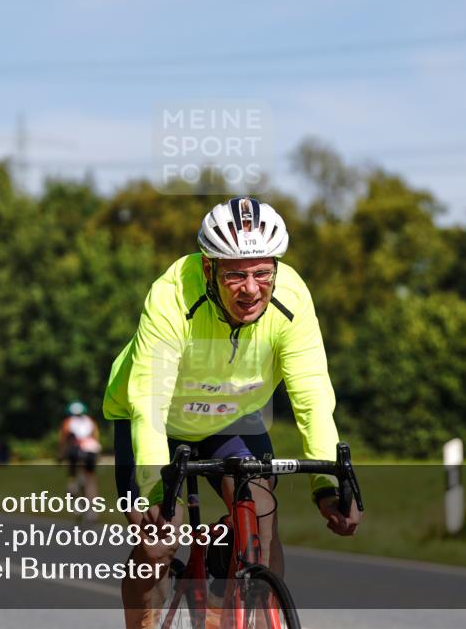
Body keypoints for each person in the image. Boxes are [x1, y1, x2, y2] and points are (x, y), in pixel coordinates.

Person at [103, 197, 363, 629]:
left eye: (263, 273)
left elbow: (313, 396)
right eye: (235, 275)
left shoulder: (293, 299)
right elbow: (148, 400)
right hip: (156, 419)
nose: (251, 288)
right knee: (156, 545)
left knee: (261, 522)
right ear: (208, 270)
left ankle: (250, 610)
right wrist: (151, 489)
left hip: (231, 415)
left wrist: (328, 482)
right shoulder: (171, 295)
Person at [58, 401, 102, 515]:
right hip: (91, 450)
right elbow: (96, 438)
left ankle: (73, 490)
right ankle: (92, 510)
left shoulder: (68, 422)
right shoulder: (90, 421)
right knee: (91, 480)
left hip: (76, 450)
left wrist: (60, 455)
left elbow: (63, 440)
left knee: (72, 474)